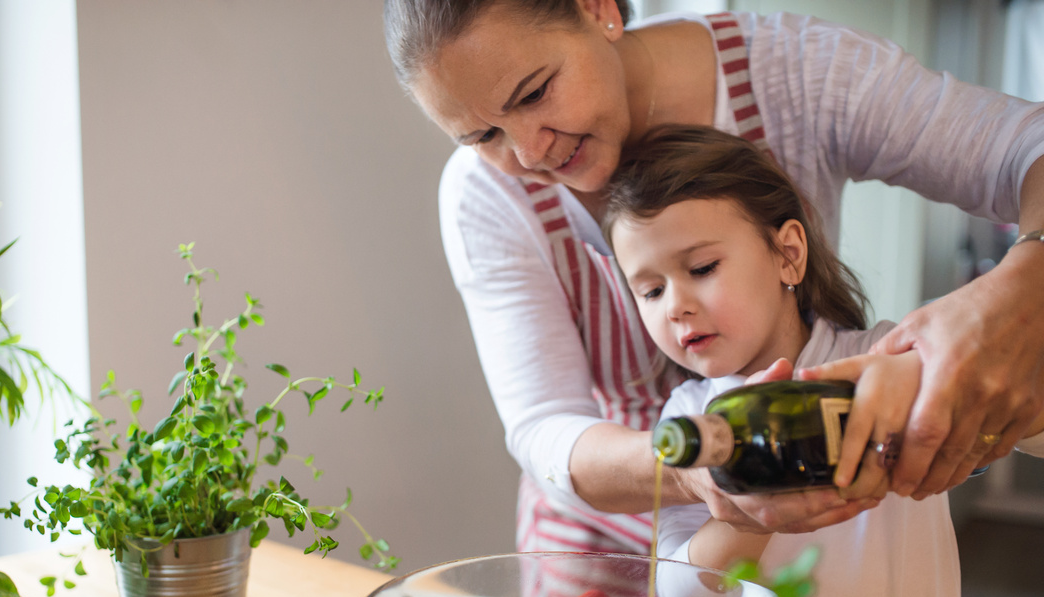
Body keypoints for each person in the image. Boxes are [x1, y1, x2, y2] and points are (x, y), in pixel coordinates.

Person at [383, 0, 1044, 551]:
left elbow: (1026, 149)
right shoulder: (486, 198)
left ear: (598, 9)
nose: (529, 151)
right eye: (481, 136)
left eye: (534, 93)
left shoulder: (799, 73)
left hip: (801, 564)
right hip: (604, 564)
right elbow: (543, 427)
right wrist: (700, 468)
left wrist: (1019, 288)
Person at [602, 124, 1044, 597]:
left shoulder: (885, 356)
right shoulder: (689, 420)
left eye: (701, 267)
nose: (674, 305)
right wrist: (744, 514)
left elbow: (1030, 431)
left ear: (788, 254)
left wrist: (944, 390)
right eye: (649, 289)